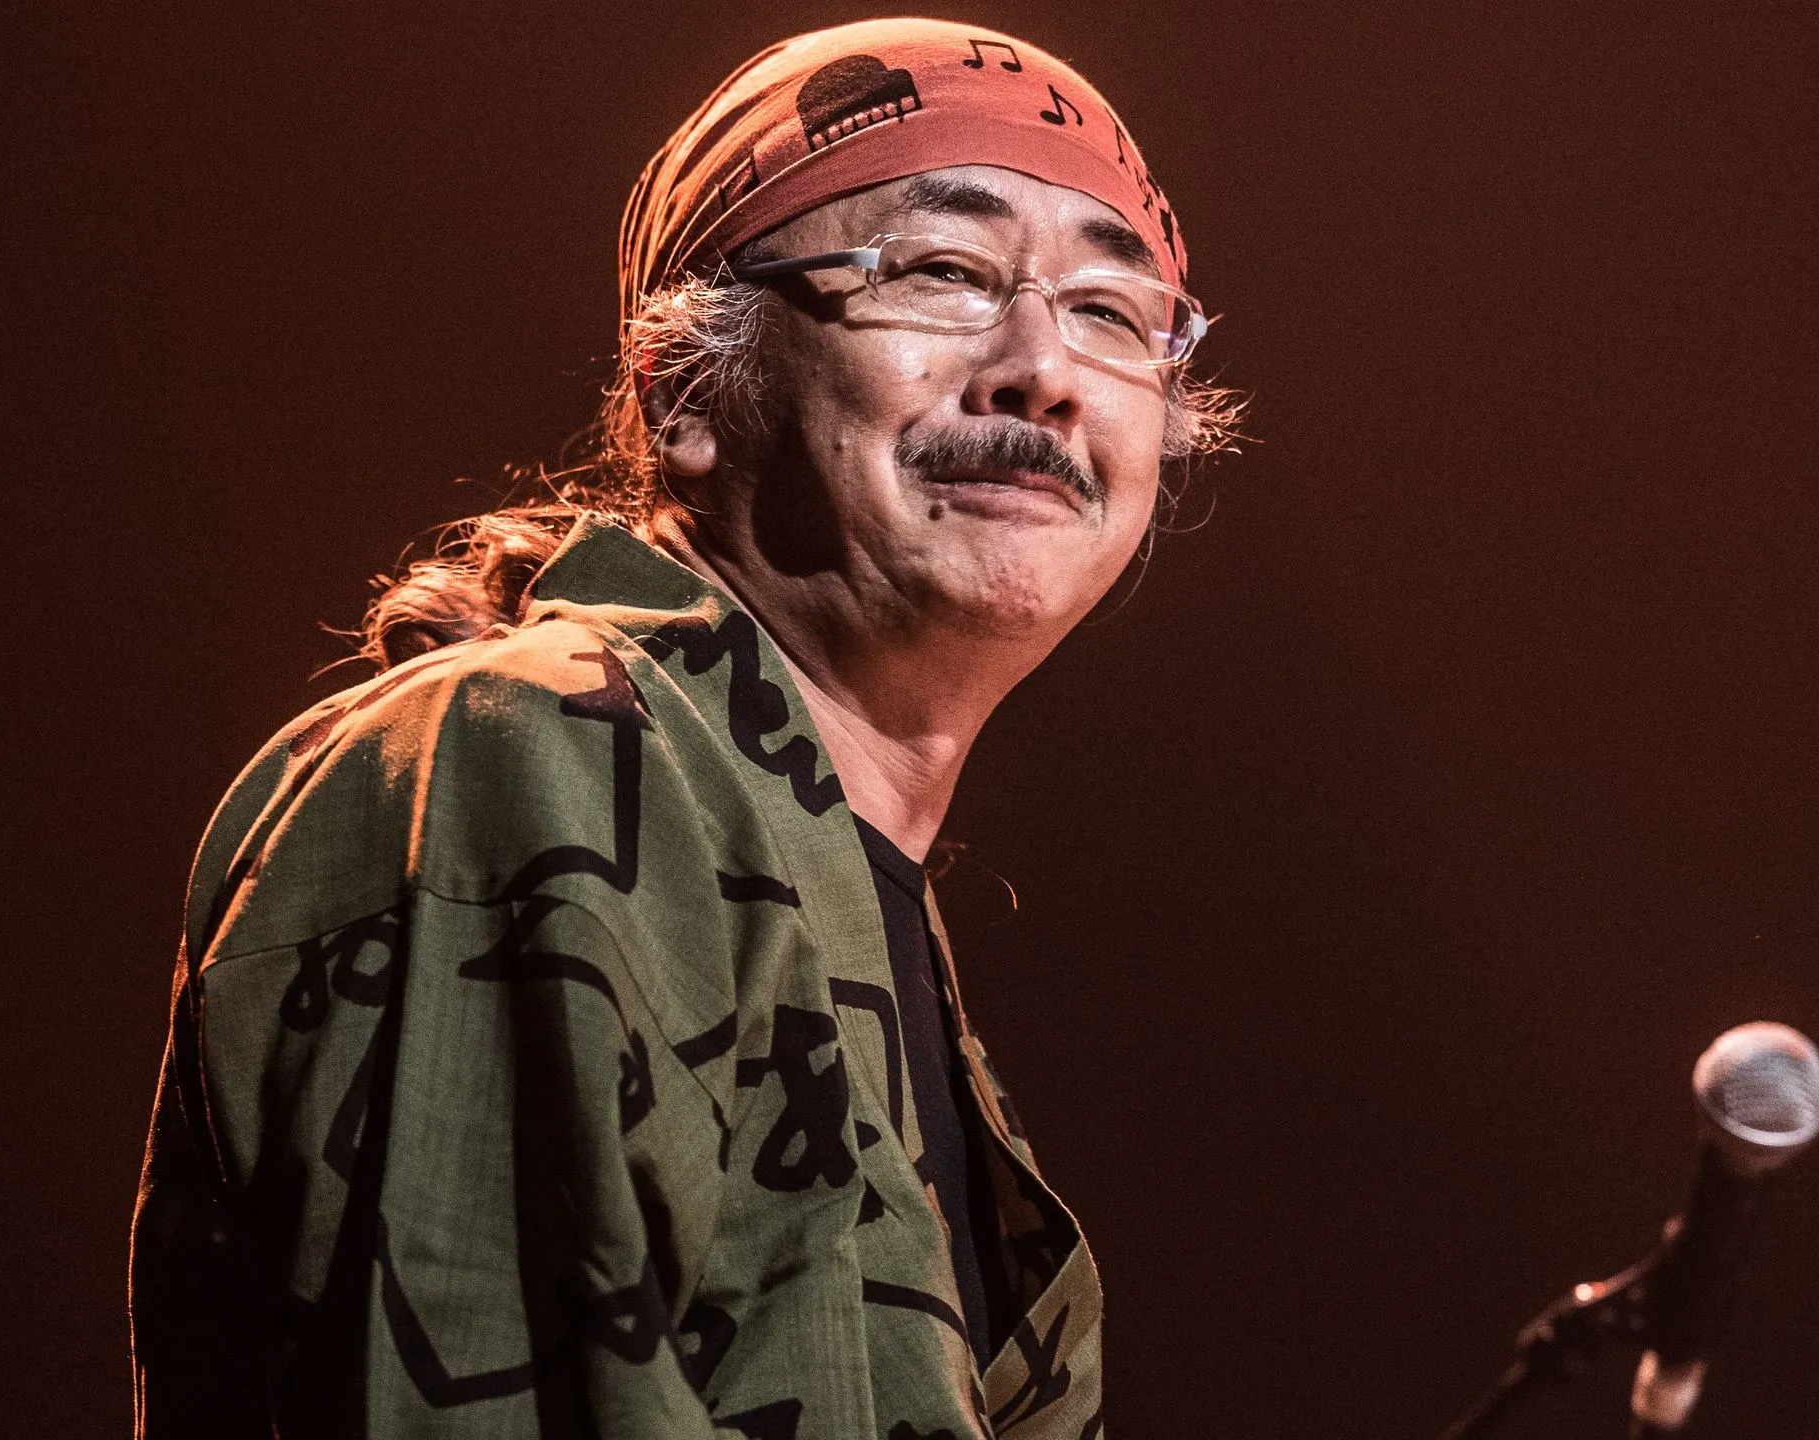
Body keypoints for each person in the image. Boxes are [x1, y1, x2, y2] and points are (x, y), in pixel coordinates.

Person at [129, 18, 1239, 1439]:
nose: (1046, 370)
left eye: (1110, 310)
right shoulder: (530, 753)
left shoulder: (831, 889)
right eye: (942, 272)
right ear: (688, 397)